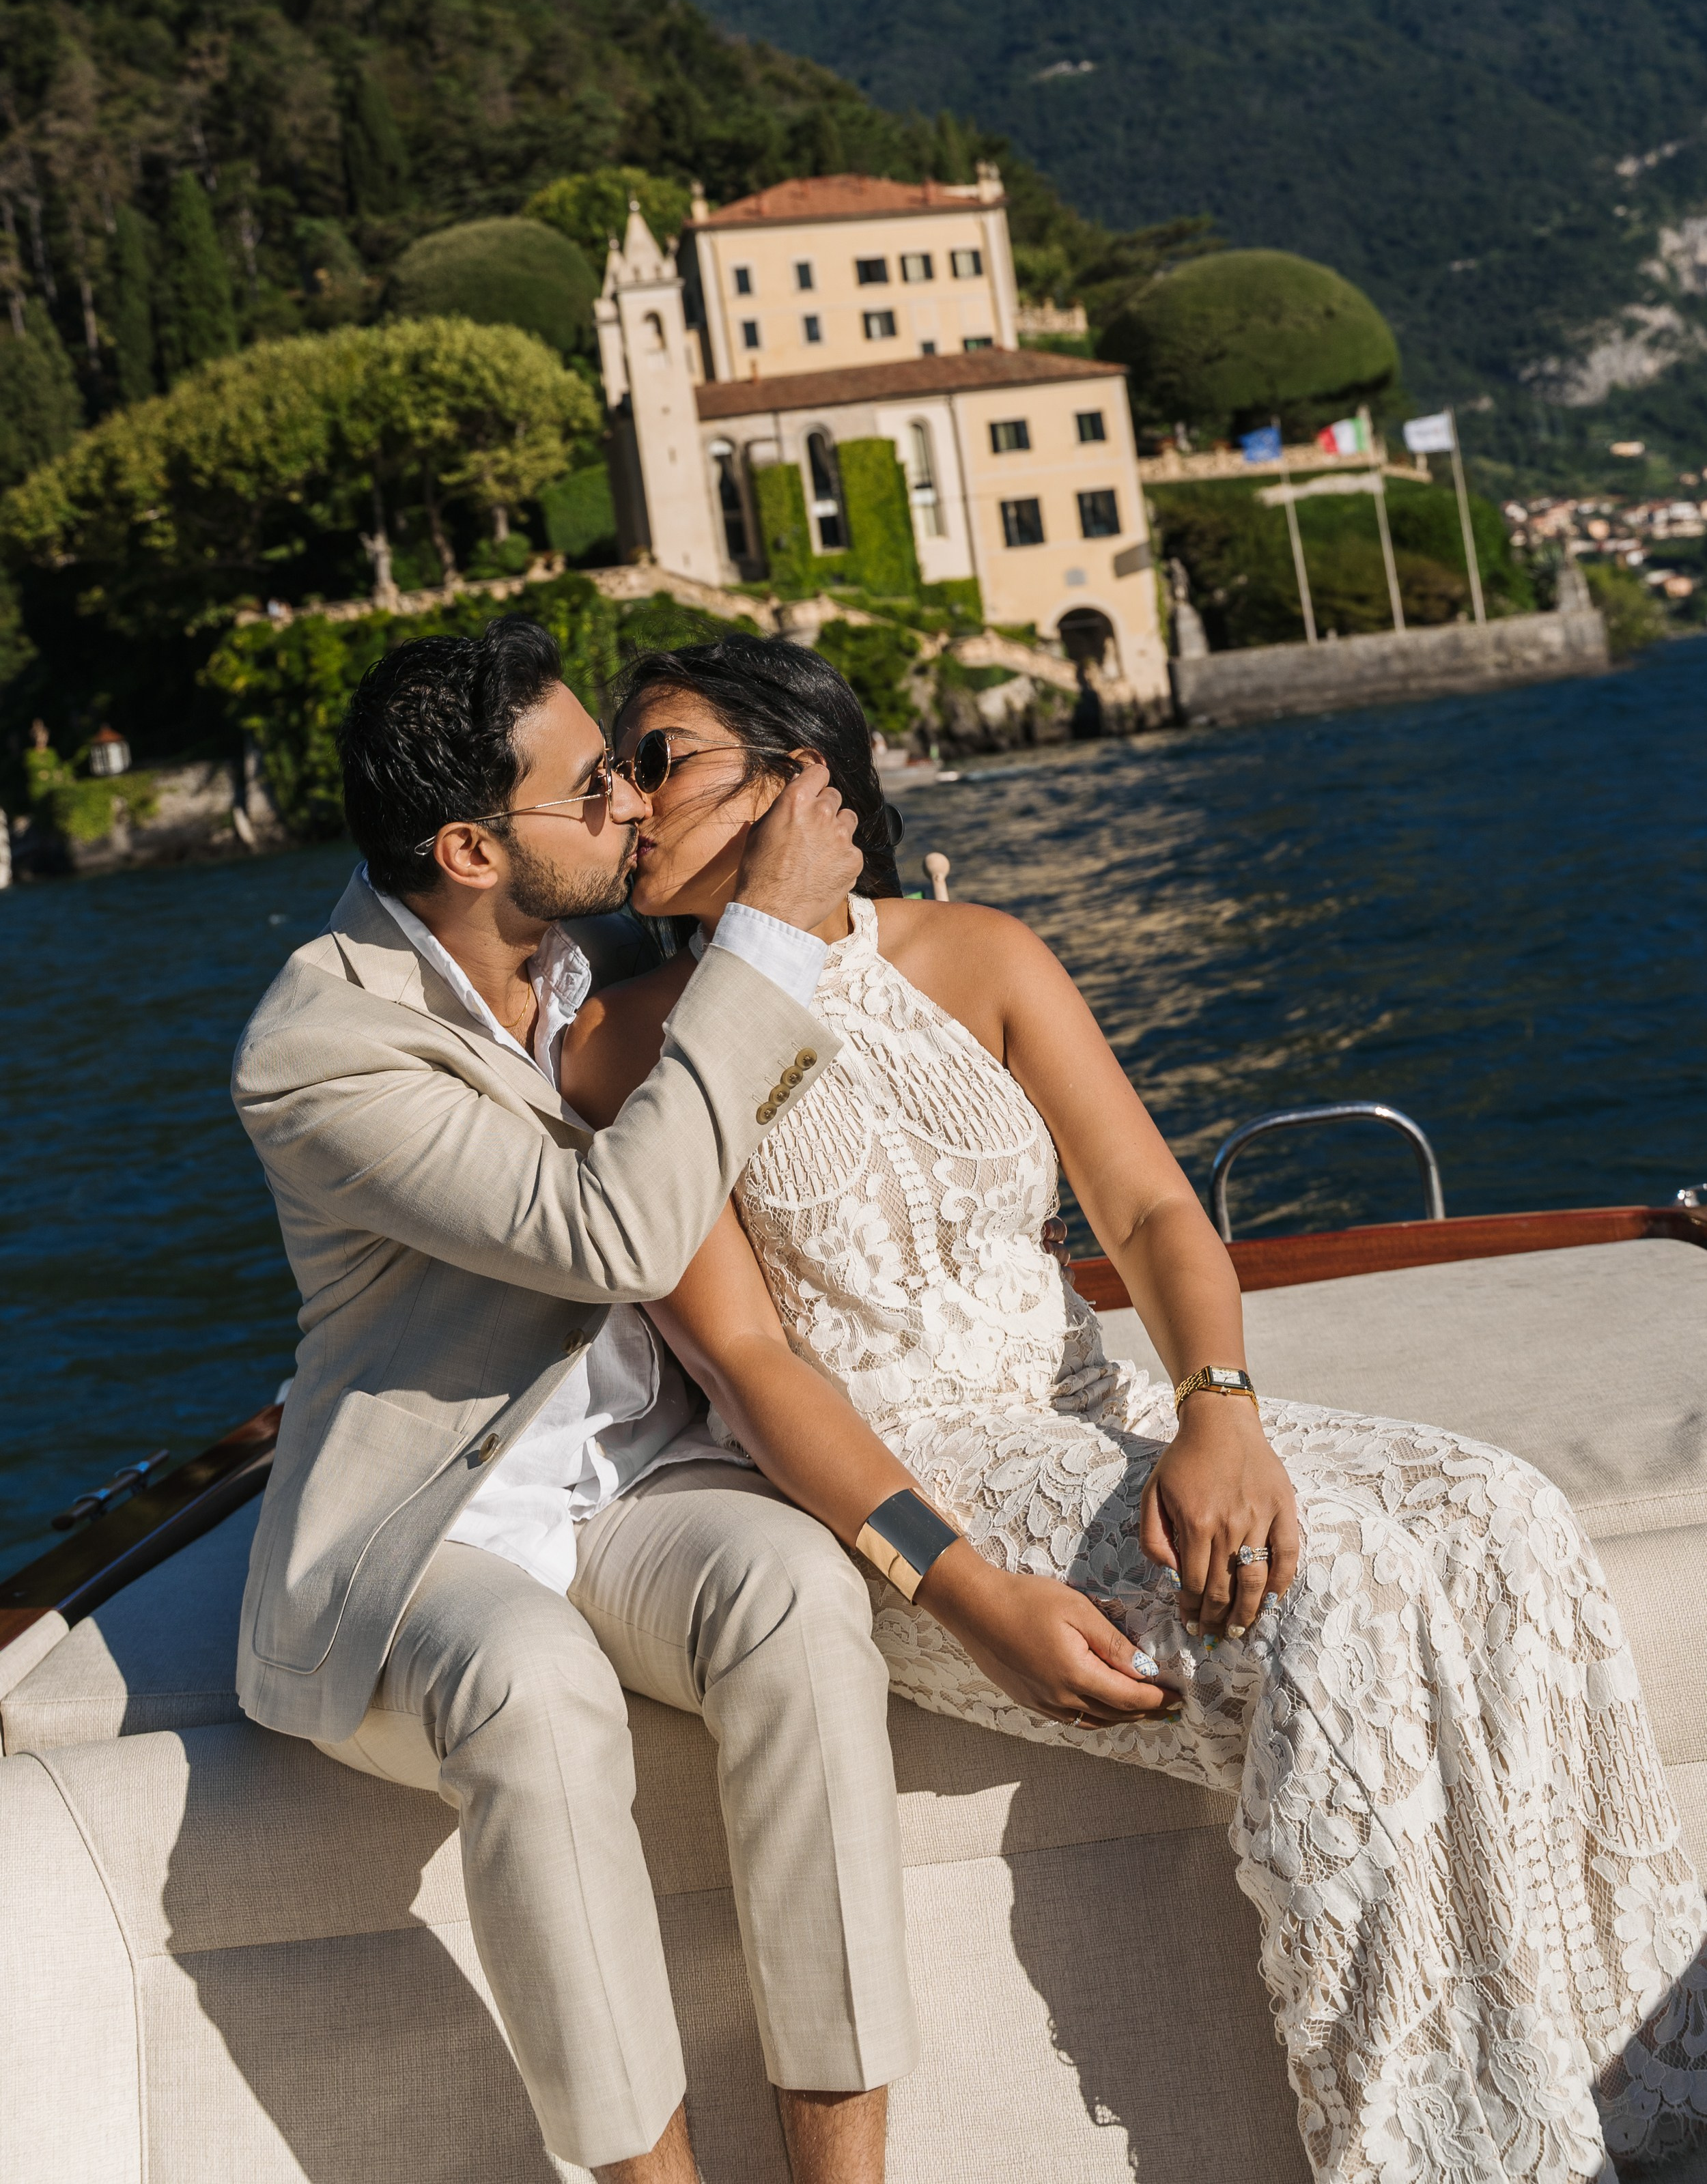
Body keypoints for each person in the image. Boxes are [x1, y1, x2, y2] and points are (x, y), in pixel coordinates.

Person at [563, 631, 1707, 2184]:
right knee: (1344, 1591)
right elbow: (752, 1369)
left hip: (1079, 1401)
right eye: (612, 770)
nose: (622, 801)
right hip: (903, 1487)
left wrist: (1217, 1408)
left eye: (660, 759)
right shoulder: (627, 1048)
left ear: (797, 777)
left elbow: (1153, 1211)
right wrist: (964, 1595)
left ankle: (1633, 2106)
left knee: (1495, 1509)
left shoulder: (981, 955)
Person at [230, 615, 918, 2184]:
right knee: (532, 1691)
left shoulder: (597, 949)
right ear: (474, 847)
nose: (631, 804)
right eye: (595, 785)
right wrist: (765, 949)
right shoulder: (321, 1049)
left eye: (626, 768)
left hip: (639, 1491)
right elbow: (612, 1232)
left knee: (803, 1599)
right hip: (432, 1537)